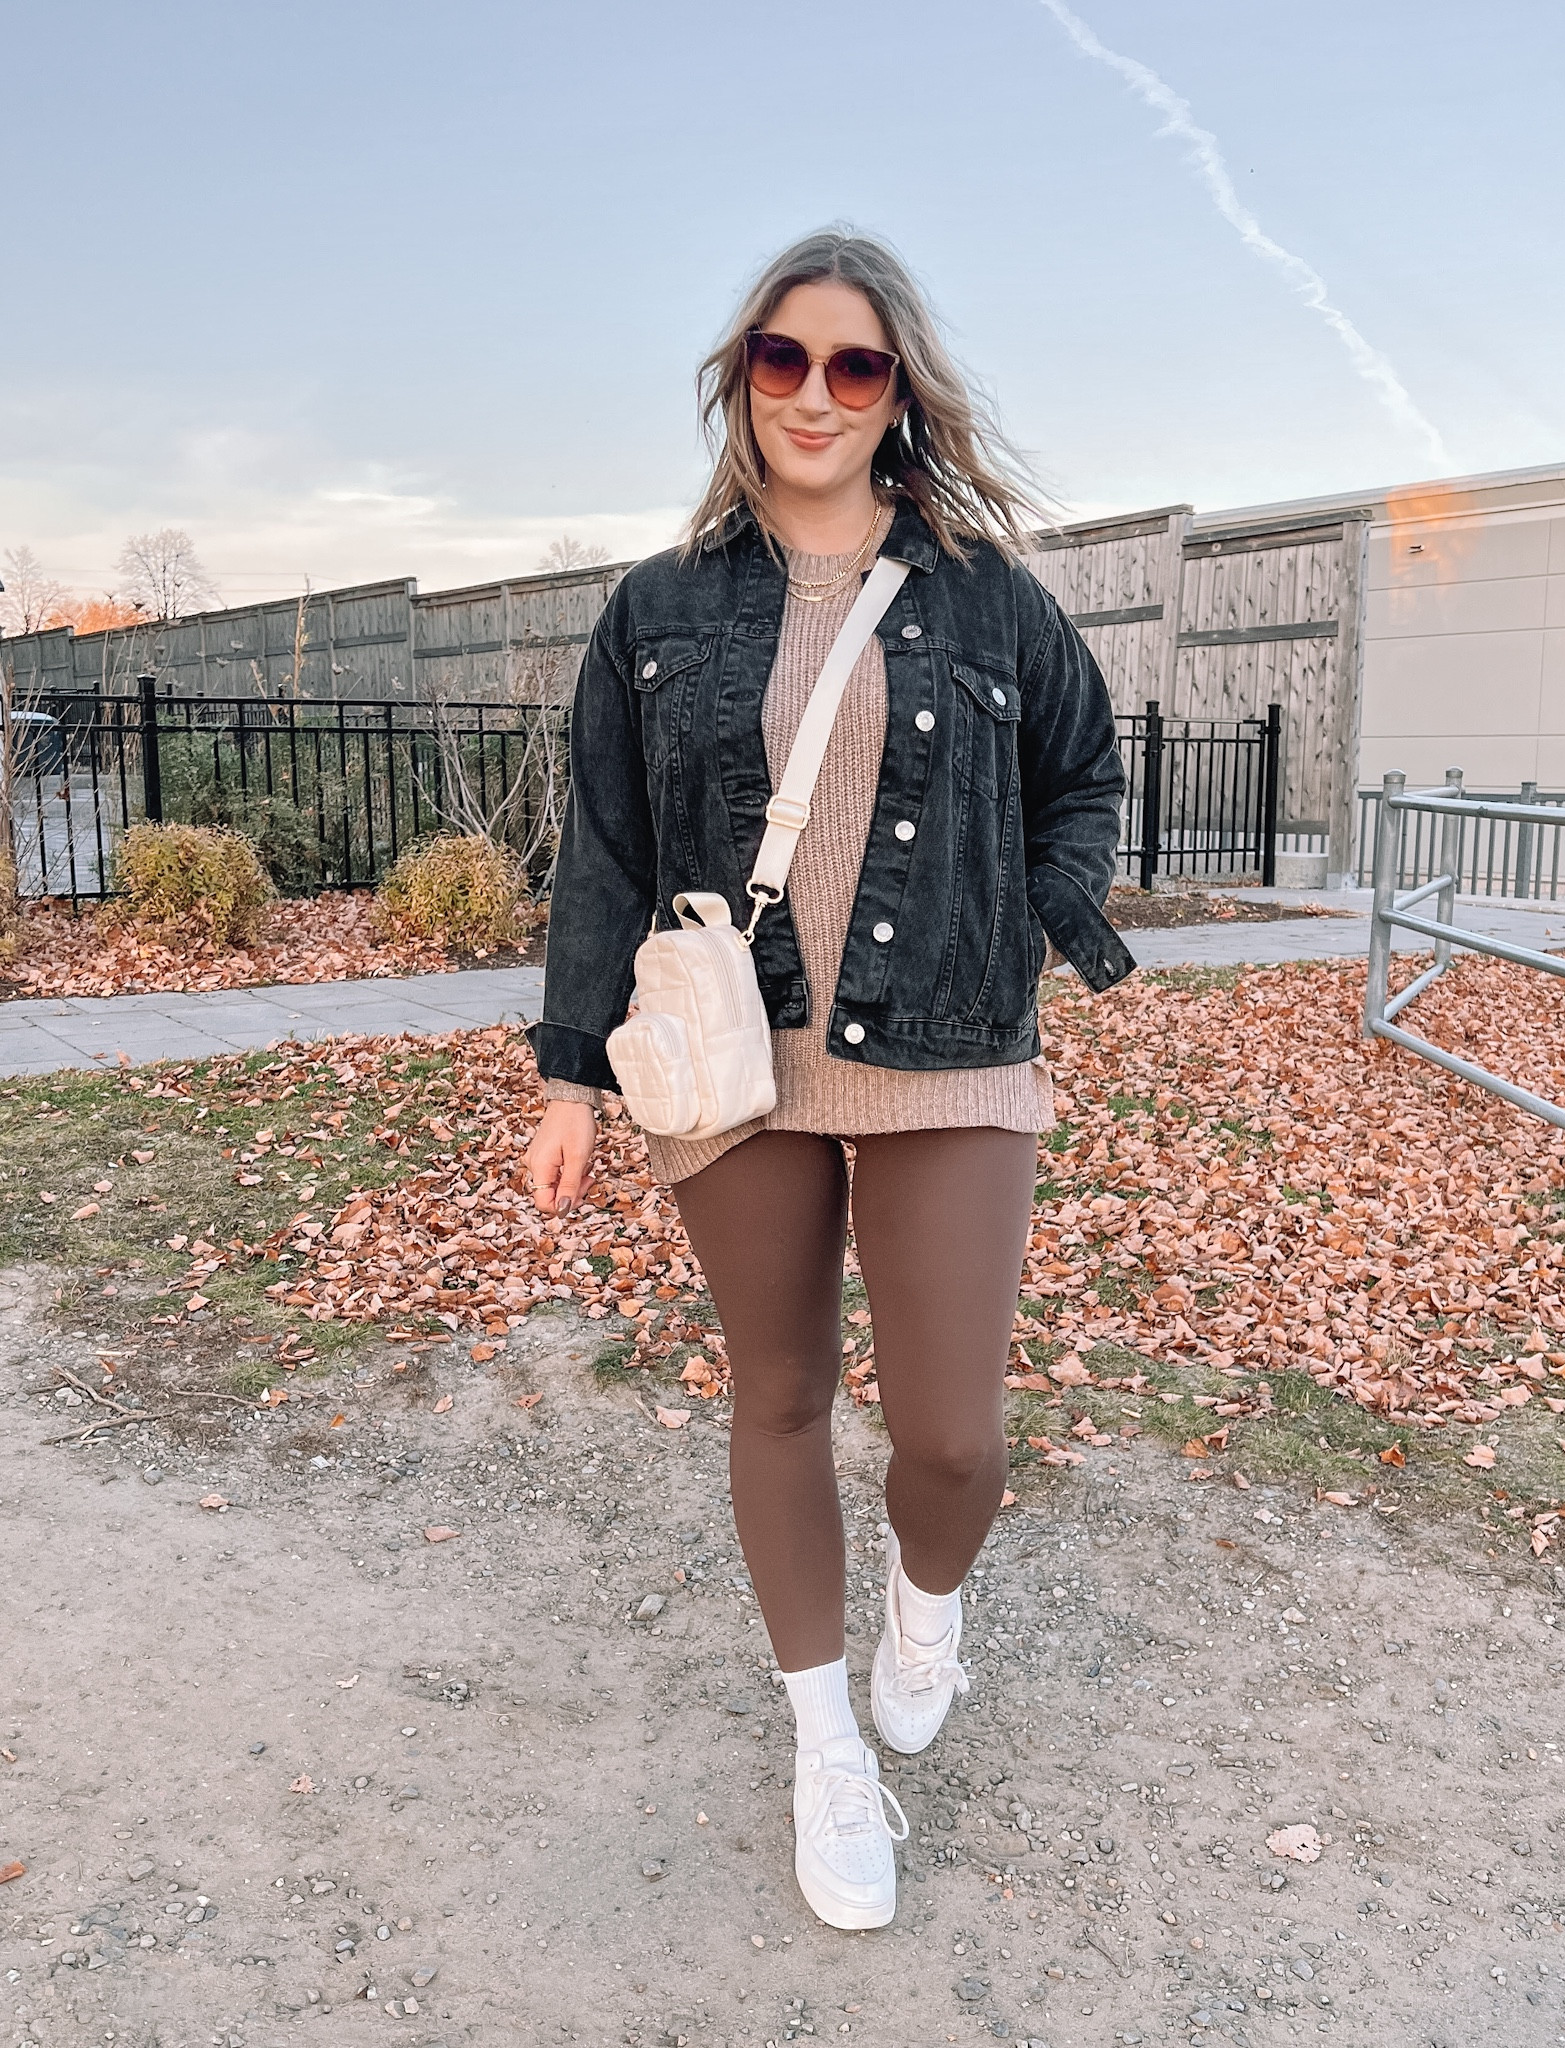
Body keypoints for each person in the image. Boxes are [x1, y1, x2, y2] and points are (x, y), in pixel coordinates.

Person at [523, 228, 1132, 1930]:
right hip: (731, 1060)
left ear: (896, 394)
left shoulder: (990, 597)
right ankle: (821, 1740)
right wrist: (570, 1079)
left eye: (851, 365)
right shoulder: (656, 607)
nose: (812, 393)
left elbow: (1083, 781)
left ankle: (925, 1604)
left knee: (948, 1437)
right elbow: (605, 850)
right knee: (779, 1396)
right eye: (780, 360)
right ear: (743, 380)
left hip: (951, 1048)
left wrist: (1035, 919)